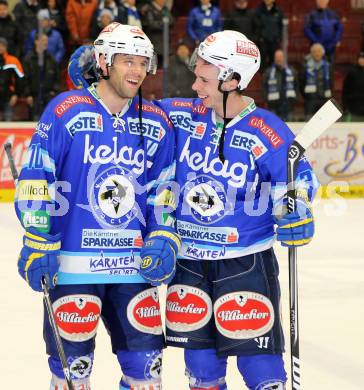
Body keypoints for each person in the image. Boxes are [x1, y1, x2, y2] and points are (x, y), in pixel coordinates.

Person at [68, 30, 319, 390]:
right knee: (201, 368)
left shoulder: (266, 129)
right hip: (188, 263)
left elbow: (297, 182)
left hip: (245, 262)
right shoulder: (182, 115)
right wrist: (100, 82)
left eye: (203, 79)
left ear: (233, 80)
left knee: (260, 368)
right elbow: (133, 111)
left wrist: (296, 210)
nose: (195, 86)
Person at [15, 22, 180, 390]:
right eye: (127, 61)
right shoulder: (66, 111)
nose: (137, 70)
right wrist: (38, 239)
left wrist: (164, 234)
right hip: (72, 267)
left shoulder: (156, 120)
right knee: (73, 372)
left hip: (134, 268)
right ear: (104, 62)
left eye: (143, 62)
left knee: (146, 372)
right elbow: (37, 180)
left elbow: (164, 190)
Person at [262, 48, 298, 121]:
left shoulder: (292, 71)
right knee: (274, 127)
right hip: (273, 105)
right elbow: (264, 87)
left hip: (288, 105)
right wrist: (267, 100)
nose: (278, 59)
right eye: (277, 57)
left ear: (284, 58)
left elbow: (296, 86)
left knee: (289, 127)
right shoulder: (268, 72)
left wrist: (294, 99)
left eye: (280, 57)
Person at [299, 42, 333, 120]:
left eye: (319, 51)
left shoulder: (328, 66)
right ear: (311, 54)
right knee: (309, 123)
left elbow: (331, 83)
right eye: (314, 52)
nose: (317, 54)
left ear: (322, 53)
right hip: (310, 101)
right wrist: (307, 96)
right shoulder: (305, 67)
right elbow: (301, 83)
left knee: (323, 123)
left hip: (324, 100)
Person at [254, 0, 284, 69]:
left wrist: (279, 38)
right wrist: (258, 38)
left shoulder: (278, 11)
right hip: (262, 43)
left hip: (274, 42)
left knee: (274, 63)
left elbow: (281, 27)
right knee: (261, 64)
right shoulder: (258, 11)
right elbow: (256, 26)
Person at [0, 36, 24, 120]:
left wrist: (16, 94)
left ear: (6, 47)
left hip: (8, 97)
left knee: (8, 123)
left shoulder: (13, 61)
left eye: (2, 45)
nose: (0, 47)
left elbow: (20, 78)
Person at [342, 51, 364, 121]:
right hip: (354, 106)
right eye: (360, 58)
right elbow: (345, 90)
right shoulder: (351, 72)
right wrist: (345, 105)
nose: (361, 60)